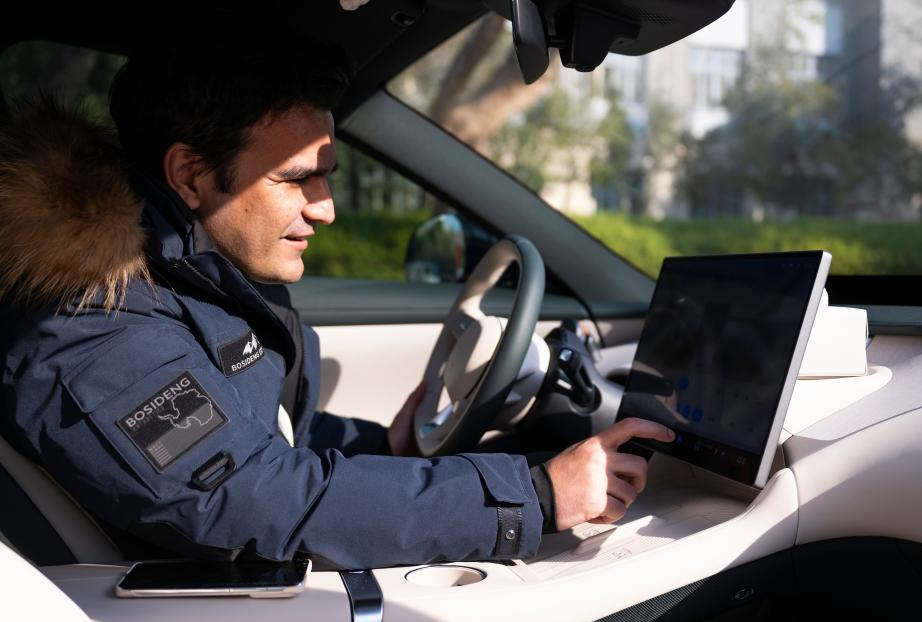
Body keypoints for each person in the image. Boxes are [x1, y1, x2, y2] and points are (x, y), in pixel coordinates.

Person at [0, 28, 673, 569]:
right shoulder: (92, 324)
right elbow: (249, 499)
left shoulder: (195, 276)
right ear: (190, 174)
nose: (324, 209)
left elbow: (259, 433)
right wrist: (534, 496)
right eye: (296, 179)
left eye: (326, 178)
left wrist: (389, 446)